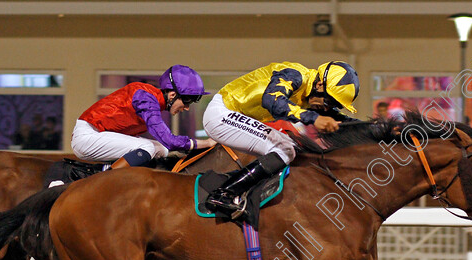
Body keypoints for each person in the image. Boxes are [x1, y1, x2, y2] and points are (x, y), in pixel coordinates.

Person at [202, 61, 360, 216]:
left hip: (233, 116)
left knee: (291, 148)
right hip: (221, 114)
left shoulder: (312, 94)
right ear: (319, 85)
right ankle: (223, 194)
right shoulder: (294, 74)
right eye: (329, 101)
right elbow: (272, 100)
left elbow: (339, 119)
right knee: (284, 149)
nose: (327, 108)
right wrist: (314, 118)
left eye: (334, 105)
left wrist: (376, 128)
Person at [70, 65, 215, 170]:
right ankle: (104, 181)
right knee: (147, 147)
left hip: (99, 135)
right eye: (187, 101)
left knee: (161, 149)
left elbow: (167, 146)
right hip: (88, 137)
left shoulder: (152, 99)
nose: (187, 107)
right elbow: (170, 141)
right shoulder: (145, 97)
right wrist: (207, 143)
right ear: (172, 95)